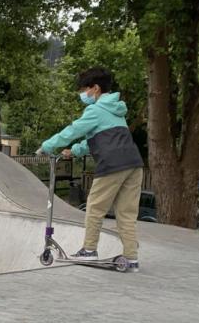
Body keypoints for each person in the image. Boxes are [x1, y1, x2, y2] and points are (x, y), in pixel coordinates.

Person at [40, 67, 144, 272]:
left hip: (113, 165)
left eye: (84, 90)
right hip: (133, 164)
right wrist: (76, 151)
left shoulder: (95, 110)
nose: (83, 95)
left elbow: (73, 130)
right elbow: (97, 139)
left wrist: (48, 146)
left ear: (95, 88)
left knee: (95, 208)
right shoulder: (117, 111)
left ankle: (89, 250)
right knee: (126, 214)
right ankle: (131, 258)